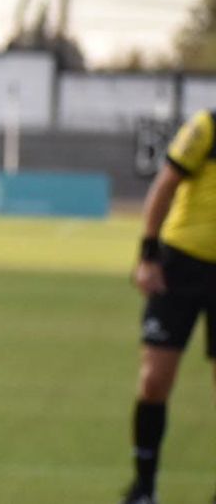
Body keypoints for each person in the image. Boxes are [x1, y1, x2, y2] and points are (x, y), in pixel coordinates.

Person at [123, 107, 216, 504]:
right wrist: (148, 254)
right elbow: (165, 185)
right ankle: (144, 486)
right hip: (181, 265)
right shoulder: (207, 125)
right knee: (154, 381)